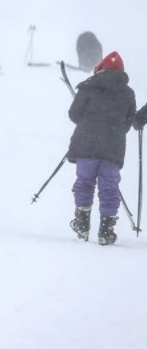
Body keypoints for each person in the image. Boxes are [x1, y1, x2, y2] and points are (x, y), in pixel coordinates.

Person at [67, 51, 135, 246]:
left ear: (101, 68)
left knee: (85, 182)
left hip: (87, 144)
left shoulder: (88, 87)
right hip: (112, 148)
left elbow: (74, 114)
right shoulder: (128, 93)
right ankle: (106, 230)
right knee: (109, 186)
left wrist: (89, 123)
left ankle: (82, 224)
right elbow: (127, 122)